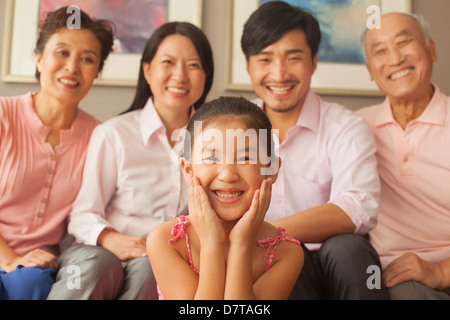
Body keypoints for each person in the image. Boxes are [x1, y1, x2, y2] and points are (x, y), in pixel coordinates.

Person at [47, 22, 214, 300]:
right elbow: (83, 213)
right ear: (147, 70)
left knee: (153, 268)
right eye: (168, 62)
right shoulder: (114, 134)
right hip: (100, 251)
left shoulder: (215, 141)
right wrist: (110, 239)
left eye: (193, 65)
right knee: (99, 265)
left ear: (206, 75)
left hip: (165, 259)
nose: (180, 75)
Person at [241, 1, 389, 299]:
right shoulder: (232, 131)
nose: (279, 73)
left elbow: (357, 207)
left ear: (314, 61)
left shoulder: (346, 125)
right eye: (265, 59)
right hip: (272, 264)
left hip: (337, 263)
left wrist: (266, 231)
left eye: (293, 58)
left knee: (349, 247)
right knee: (280, 257)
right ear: (249, 66)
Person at [0, 7, 114, 300]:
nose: (72, 67)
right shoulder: (3, 115)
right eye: (61, 52)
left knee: (30, 285)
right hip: (8, 259)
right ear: (39, 58)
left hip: (40, 269)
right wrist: (10, 259)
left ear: (96, 72)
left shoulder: (100, 136)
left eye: (87, 59)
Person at [147, 96, 304, 300]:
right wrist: (211, 242)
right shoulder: (166, 240)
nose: (228, 175)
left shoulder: (285, 252)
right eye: (211, 158)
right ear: (187, 169)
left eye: (245, 158)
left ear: (271, 169)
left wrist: (241, 244)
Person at [357, 12, 450, 300]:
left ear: (431, 49)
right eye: (380, 51)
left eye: (404, 42)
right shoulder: (356, 128)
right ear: (371, 70)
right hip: (393, 276)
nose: (395, 58)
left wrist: (442, 272)